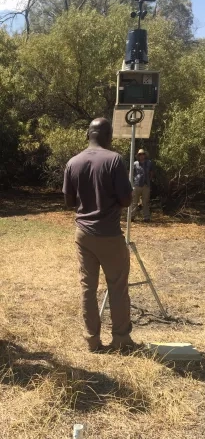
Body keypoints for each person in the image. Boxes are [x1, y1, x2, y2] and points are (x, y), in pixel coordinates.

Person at [62, 118, 134, 352]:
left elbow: (68, 201)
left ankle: (92, 340)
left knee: (87, 288)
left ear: (88, 134)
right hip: (109, 235)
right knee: (117, 286)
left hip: (83, 234)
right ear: (109, 136)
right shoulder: (114, 160)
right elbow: (126, 200)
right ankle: (121, 340)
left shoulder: (73, 162)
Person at [131, 149, 154, 223]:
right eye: (140, 154)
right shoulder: (135, 163)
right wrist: (131, 183)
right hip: (136, 184)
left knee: (145, 202)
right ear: (138, 156)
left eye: (143, 154)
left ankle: (146, 217)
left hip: (146, 185)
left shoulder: (149, 163)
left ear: (145, 155)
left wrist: (149, 180)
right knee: (134, 201)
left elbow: (151, 172)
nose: (141, 156)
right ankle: (131, 216)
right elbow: (131, 174)